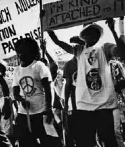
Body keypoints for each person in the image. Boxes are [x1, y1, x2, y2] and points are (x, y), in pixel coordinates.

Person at [47, 18, 125, 147]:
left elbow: (122, 53)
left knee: (108, 139)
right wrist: (49, 28)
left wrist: (113, 30)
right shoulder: (79, 51)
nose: (89, 35)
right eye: (86, 33)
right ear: (84, 37)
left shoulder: (105, 48)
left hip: (104, 104)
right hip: (84, 106)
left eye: (92, 32)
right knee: (86, 141)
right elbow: (59, 43)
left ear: (97, 35)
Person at [12, 38, 53, 147]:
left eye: (24, 51)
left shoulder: (39, 66)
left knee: (47, 142)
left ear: (31, 51)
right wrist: (21, 100)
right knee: (25, 142)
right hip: (24, 113)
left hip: (41, 111)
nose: (20, 55)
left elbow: (48, 89)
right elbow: (15, 93)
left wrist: (48, 108)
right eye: (19, 52)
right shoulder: (17, 70)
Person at [62, 36, 85, 147]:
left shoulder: (89, 61)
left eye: (79, 47)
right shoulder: (69, 65)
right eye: (75, 48)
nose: (77, 49)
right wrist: (66, 103)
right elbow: (68, 85)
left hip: (92, 100)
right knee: (81, 127)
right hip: (77, 100)